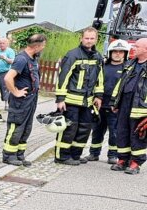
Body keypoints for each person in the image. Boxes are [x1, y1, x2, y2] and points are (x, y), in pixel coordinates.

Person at [53, 27, 104, 165]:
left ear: (96, 39)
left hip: (87, 102)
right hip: (71, 100)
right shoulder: (73, 55)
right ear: (81, 38)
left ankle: (75, 155)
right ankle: (61, 156)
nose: (89, 41)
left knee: (84, 129)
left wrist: (98, 96)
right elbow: (63, 77)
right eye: (86, 38)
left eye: (92, 38)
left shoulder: (98, 57)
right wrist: (60, 99)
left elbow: (100, 78)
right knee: (69, 129)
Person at [2, 32, 47, 166]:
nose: (44, 48)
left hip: (30, 100)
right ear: (37, 46)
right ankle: (8, 155)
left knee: (26, 128)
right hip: (20, 102)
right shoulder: (22, 59)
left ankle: (19, 155)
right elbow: (8, 78)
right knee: (16, 127)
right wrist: (15, 92)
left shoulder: (32, 58)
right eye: (43, 45)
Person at [88, 39, 130, 164]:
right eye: (115, 51)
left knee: (114, 133)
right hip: (99, 105)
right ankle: (93, 154)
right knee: (97, 131)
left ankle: (112, 155)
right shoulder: (103, 67)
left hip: (115, 108)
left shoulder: (127, 69)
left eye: (121, 52)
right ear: (110, 53)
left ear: (125, 54)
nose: (118, 54)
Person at [111, 37, 147, 175]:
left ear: (145, 50)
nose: (134, 48)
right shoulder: (130, 64)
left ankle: (136, 163)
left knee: (138, 135)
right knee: (121, 132)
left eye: (137, 46)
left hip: (141, 107)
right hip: (125, 103)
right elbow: (120, 85)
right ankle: (122, 159)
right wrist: (115, 102)